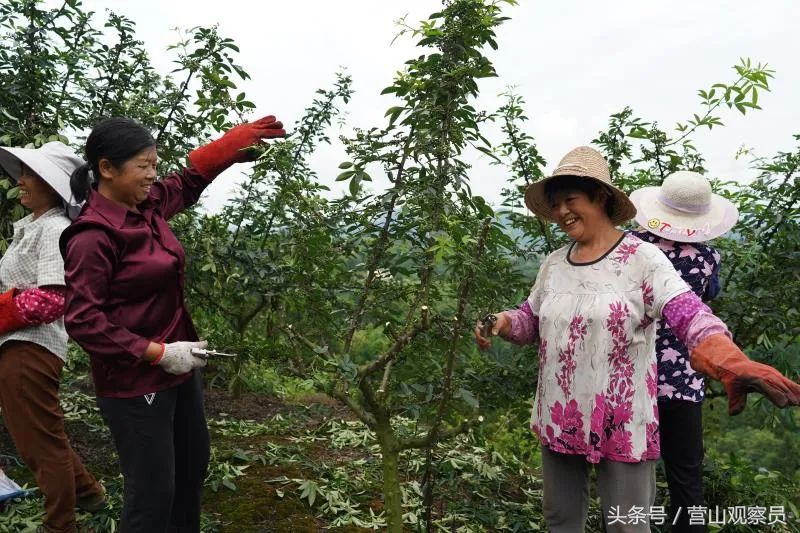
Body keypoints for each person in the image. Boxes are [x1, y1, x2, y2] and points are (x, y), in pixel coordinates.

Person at [474, 146, 800, 533]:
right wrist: (503, 321)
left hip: (623, 418)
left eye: (571, 200)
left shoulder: (641, 259)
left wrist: (728, 359)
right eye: (556, 204)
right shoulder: (555, 263)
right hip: (560, 413)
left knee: (627, 525)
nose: (562, 212)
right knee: (560, 521)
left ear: (600, 198)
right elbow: (531, 319)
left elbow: (687, 312)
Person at [60, 115, 285, 532]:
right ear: (107, 168)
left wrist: (222, 153)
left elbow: (185, 184)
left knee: (190, 470)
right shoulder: (93, 236)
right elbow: (84, 320)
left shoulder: (147, 206)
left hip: (181, 367)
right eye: (142, 165)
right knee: (152, 494)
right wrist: (156, 353)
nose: (152, 175)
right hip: (136, 382)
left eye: (154, 164)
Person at [0, 141, 105, 533]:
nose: (20, 181)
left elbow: (52, 299)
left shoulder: (56, 229)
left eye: (29, 174)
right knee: (40, 433)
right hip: (18, 345)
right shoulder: (35, 228)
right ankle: (90, 494)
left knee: (39, 443)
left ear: (52, 183)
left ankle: (60, 524)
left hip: (31, 346)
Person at [630, 170, 739, 532]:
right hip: (684, 383)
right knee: (686, 477)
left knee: (625, 479)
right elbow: (706, 299)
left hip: (631, 379)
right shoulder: (708, 258)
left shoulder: (629, 247)